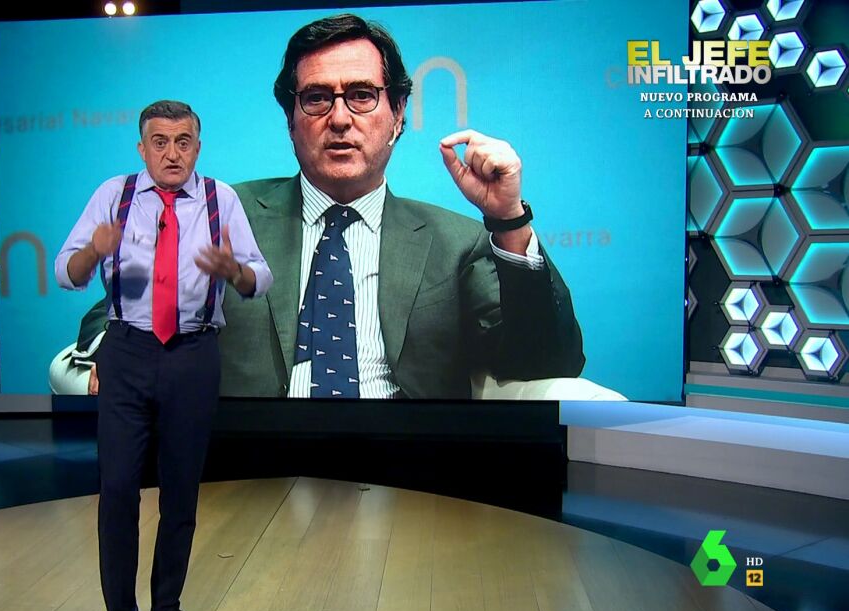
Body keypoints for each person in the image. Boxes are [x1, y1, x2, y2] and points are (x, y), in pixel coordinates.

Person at [74, 13, 583, 400]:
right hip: (246, 464)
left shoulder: (457, 243)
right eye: (317, 98)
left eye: (361, 95)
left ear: (398, 114)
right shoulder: (219, 214)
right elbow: (117, 311)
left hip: (406, 467)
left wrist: (509, 221)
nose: (339, 118)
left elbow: (544, 362)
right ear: (291, 121)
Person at [55, 100, 272, 611]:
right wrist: (93, 253)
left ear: (197, 148)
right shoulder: (115, 195)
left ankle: (166, 610)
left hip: (193, 356)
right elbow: (66, 271)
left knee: (180, 491)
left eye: (182, 142)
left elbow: (260, 277)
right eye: (160, 142)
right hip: (126, 352)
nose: (172, 154)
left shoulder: (221, 199)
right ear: (142, 149)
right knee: (117, 490)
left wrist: (235, 271)